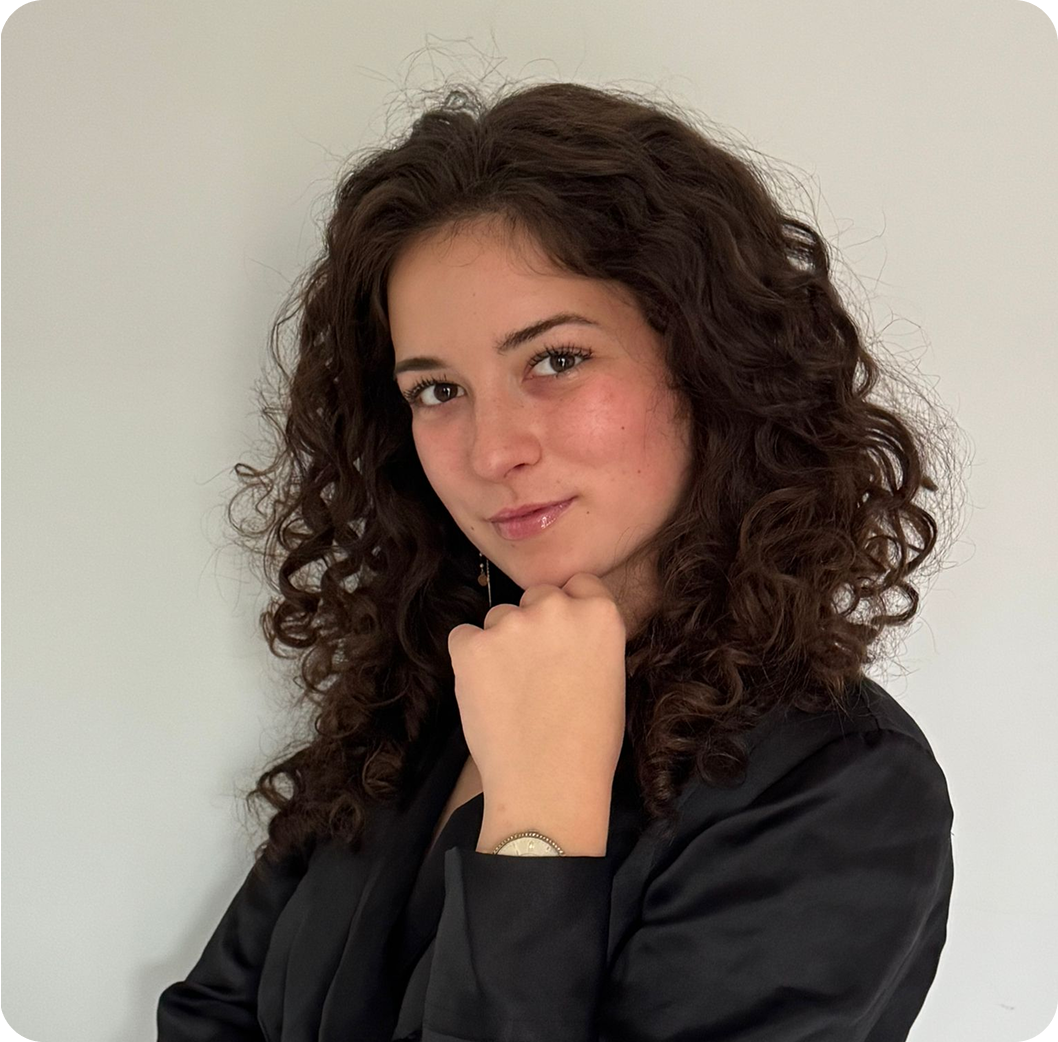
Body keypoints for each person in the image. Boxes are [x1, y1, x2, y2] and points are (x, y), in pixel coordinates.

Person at [157, 79, 960, 1041]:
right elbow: (209, 1015)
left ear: (708, 362)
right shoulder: (421, 696)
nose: (492, 451)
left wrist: (538, 829)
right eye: (439, 389)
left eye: (557, 360)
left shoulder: (837, 790)